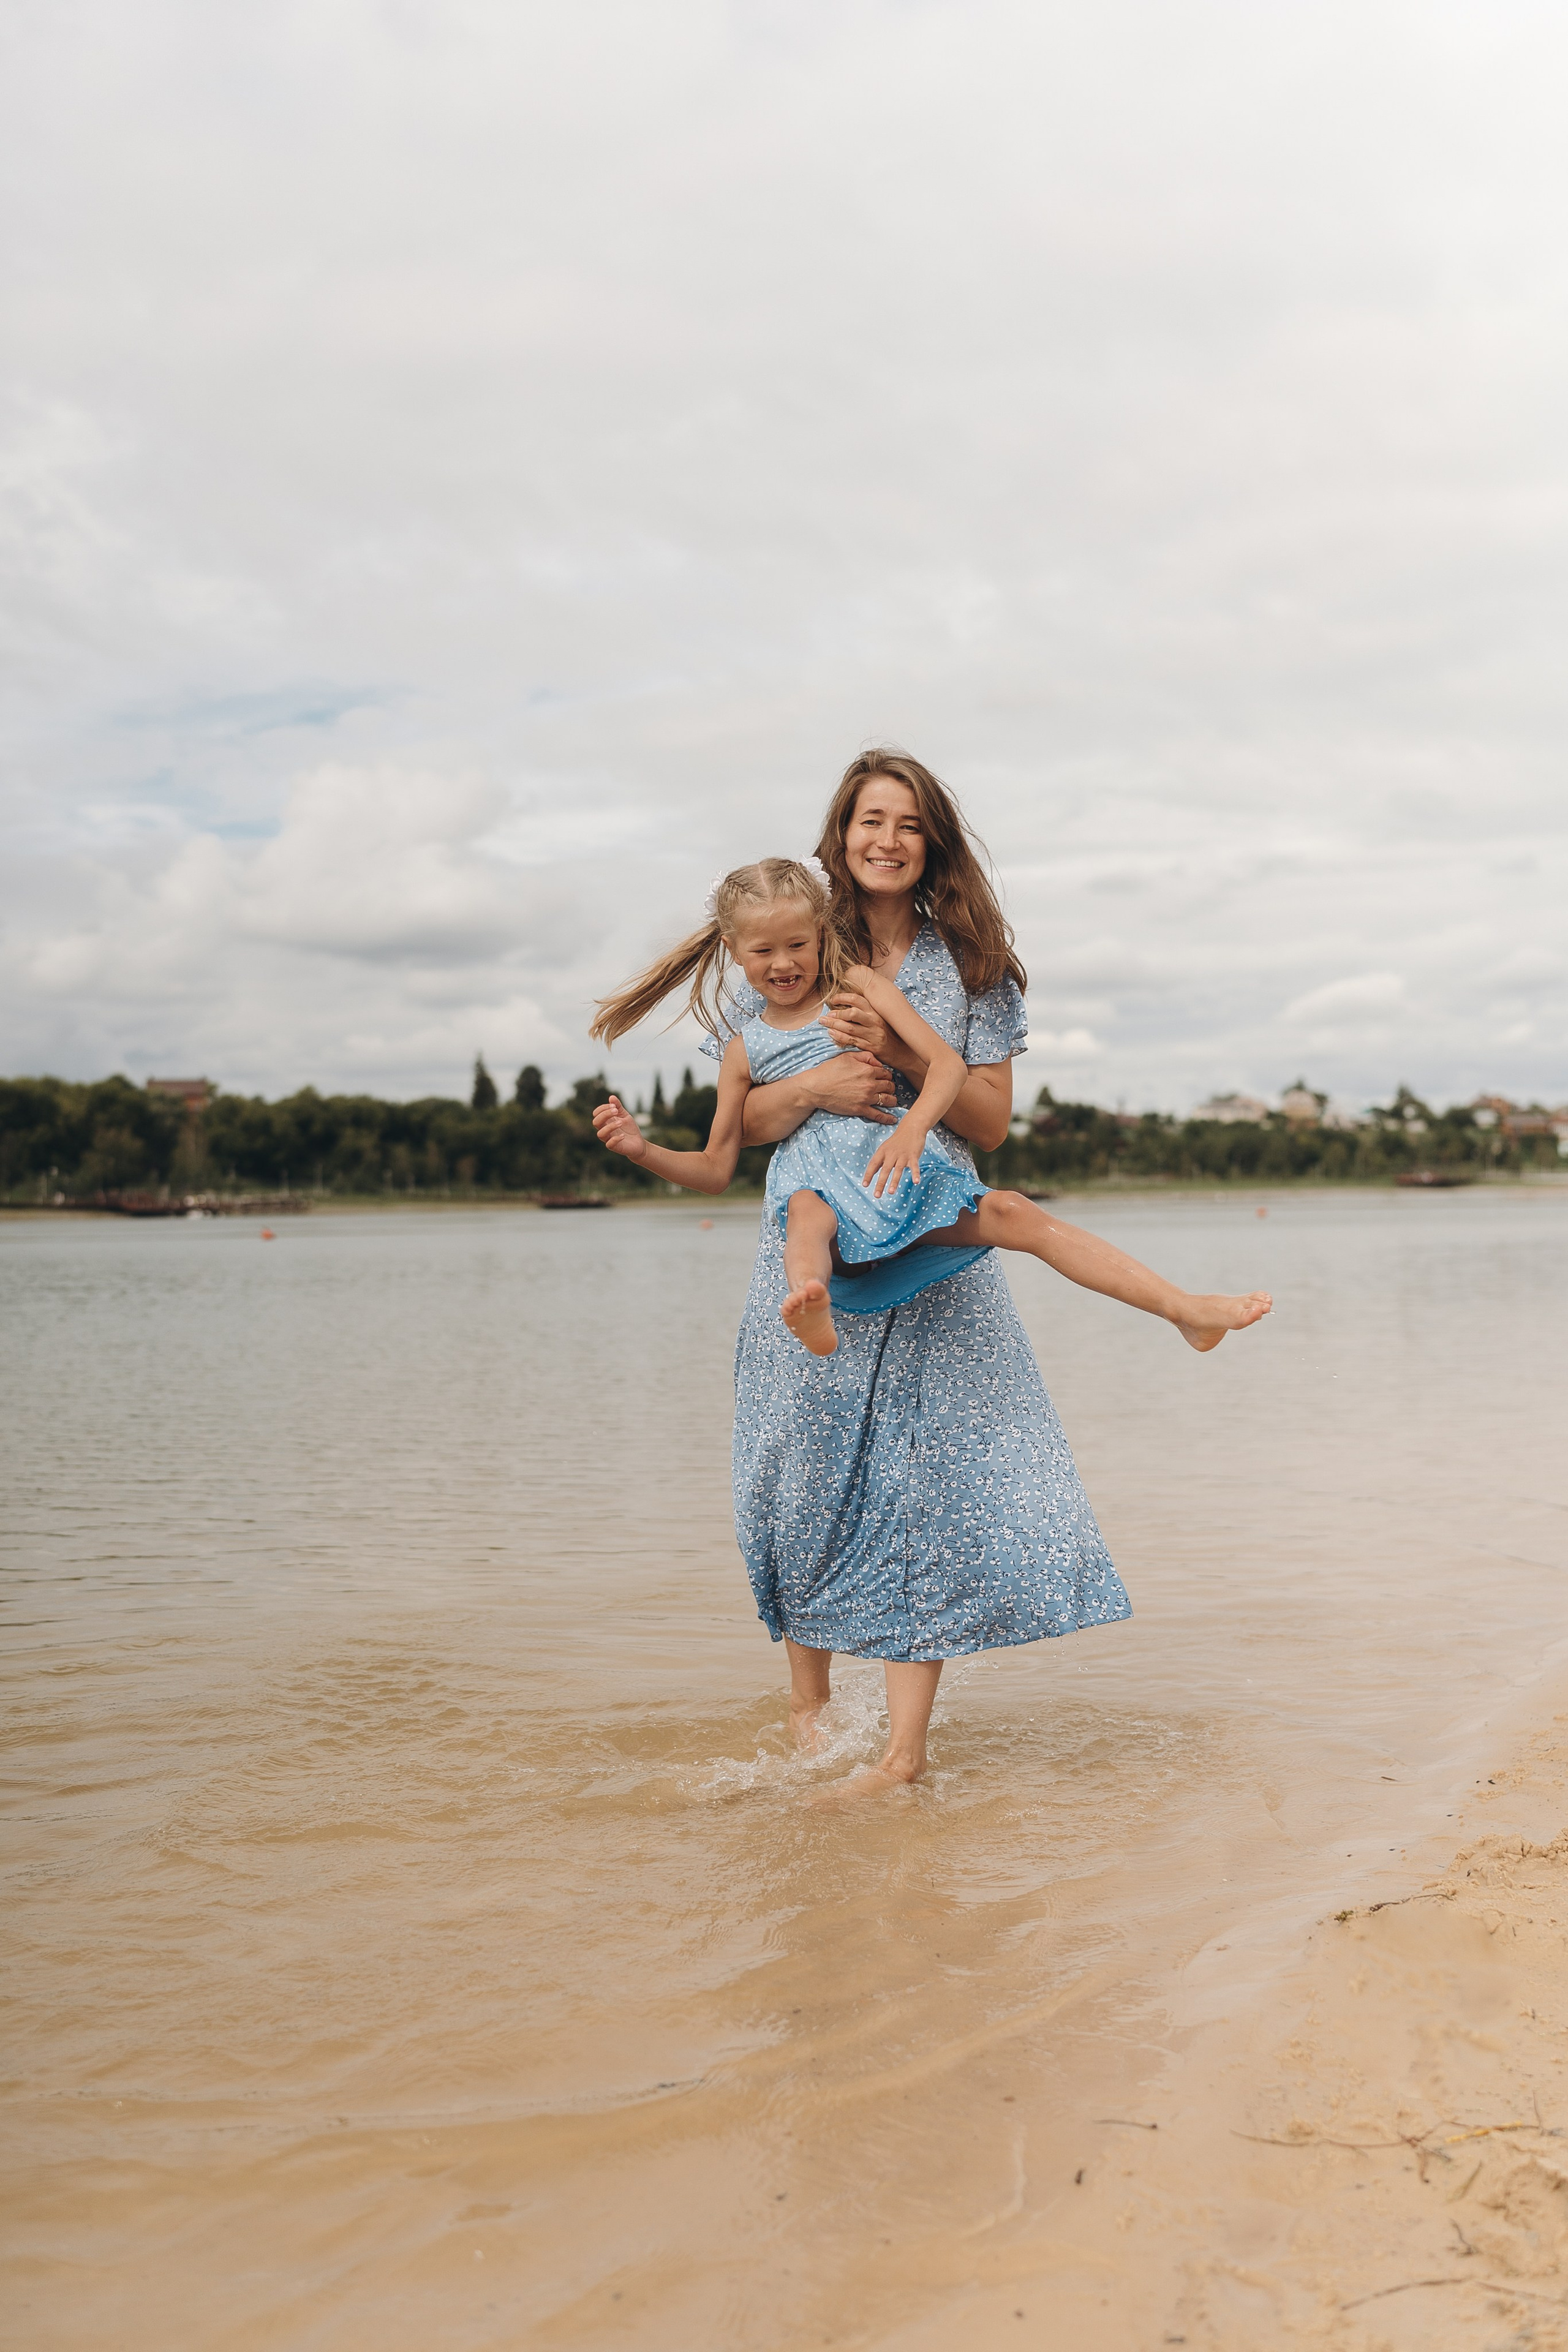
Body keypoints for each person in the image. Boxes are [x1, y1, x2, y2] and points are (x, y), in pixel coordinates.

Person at [594, 750, 1270, 1800]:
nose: (887, 839)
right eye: (871, 819)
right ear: (840, 835)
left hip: (921, 1210)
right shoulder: (809, 941)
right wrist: (815, 1081)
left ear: (933, 838)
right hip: (810, 1244)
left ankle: (904, 1757)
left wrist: (902, 1072)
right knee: (796, 1478)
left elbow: (988, 1119)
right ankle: (809, 1712)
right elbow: (751, 1127)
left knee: (929, 1495)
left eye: (908, 823)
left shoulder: (969, 963)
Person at [590, 857, 1272, 1362]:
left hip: (902, 1188)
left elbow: (945, 1065)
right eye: (763, 950)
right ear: (733, 951)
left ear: (822, 934)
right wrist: (641, 1150)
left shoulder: (858, 986)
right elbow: (716, 1168)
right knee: (804, 1212)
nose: (784, 962)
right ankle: (810, 1306)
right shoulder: (744, 1048)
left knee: (1015, 1212)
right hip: (827, 1207)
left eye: (798, 944)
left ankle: (1181, 1308)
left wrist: (914, 1128)